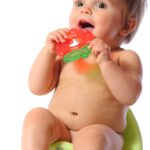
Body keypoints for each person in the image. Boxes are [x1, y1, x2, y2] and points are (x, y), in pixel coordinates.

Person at [22, 0, 147, 149]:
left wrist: (106, 63)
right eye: (80, 3)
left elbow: (129, 96)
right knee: (35, 117)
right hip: (60, 127)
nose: (85, 9)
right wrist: (47, 52)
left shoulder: (124, 58)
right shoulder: (66, 54)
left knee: (92, 137)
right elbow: (37, 88)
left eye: (101, 5)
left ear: (126, 26)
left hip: (103, 132)